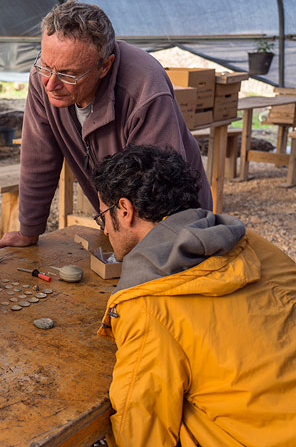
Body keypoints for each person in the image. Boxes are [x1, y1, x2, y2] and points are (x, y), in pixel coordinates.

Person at [92, 144, 296, 447]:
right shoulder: (250, 241)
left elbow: (143, 434)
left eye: (104, 217)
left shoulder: (147, 306)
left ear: (125, 210)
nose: (106, 230)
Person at [0, 0, 212, 249]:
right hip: (120, 219)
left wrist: (145, 254)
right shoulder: (43, 79)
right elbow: (38, 156)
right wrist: (29, 231)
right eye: (45, 66)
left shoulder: (144, 88)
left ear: (104, 66)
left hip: (173, 225)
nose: (50, 84)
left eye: (68, 74)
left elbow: (159, 190)